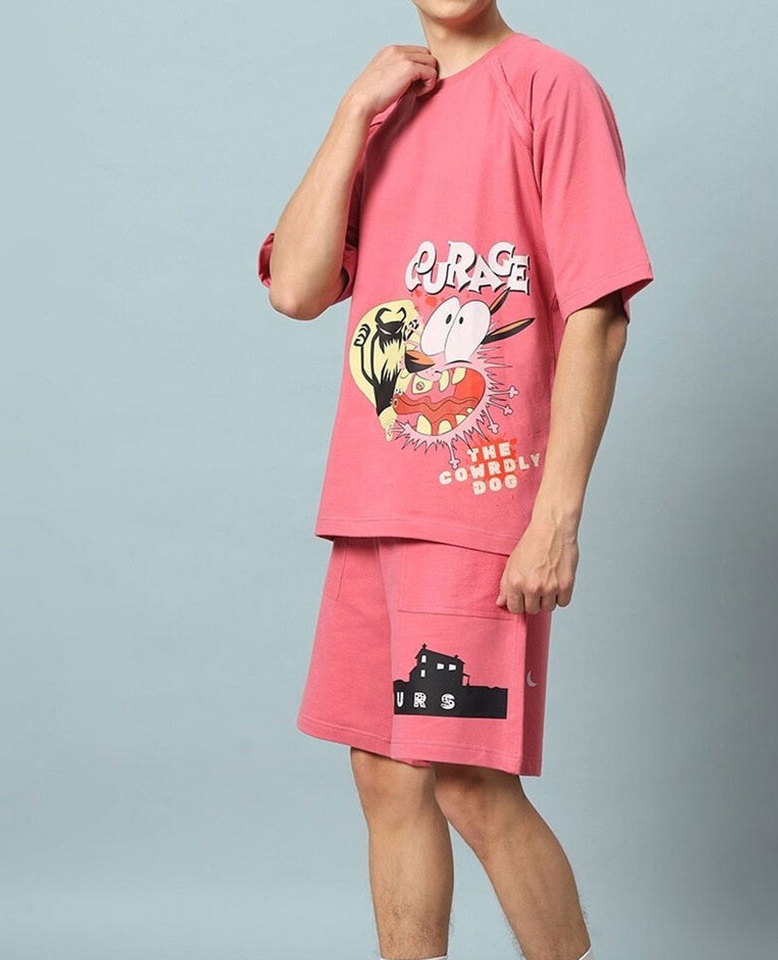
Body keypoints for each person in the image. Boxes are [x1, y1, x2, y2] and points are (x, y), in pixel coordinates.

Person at [256, 2, 653, 958]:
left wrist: (555, 518)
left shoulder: (550, 87)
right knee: (384, 776)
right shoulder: (387, 112)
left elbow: (599, 313)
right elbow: (297, 289)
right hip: (373, 501)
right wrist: (352, 112)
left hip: (479, 502)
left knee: (470, 780)